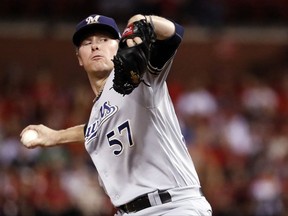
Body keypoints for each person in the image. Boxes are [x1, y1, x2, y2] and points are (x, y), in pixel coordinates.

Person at [20, 14, 212, 215]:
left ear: (118, 45)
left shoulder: (139, 76)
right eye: (87, 42)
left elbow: (174, 35)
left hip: (174, 206)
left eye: (104, 40)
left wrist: (144, 23)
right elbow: (93, 129)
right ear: (79, 58)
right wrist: (55, 136)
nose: (95, 46)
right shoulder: (97, 112)